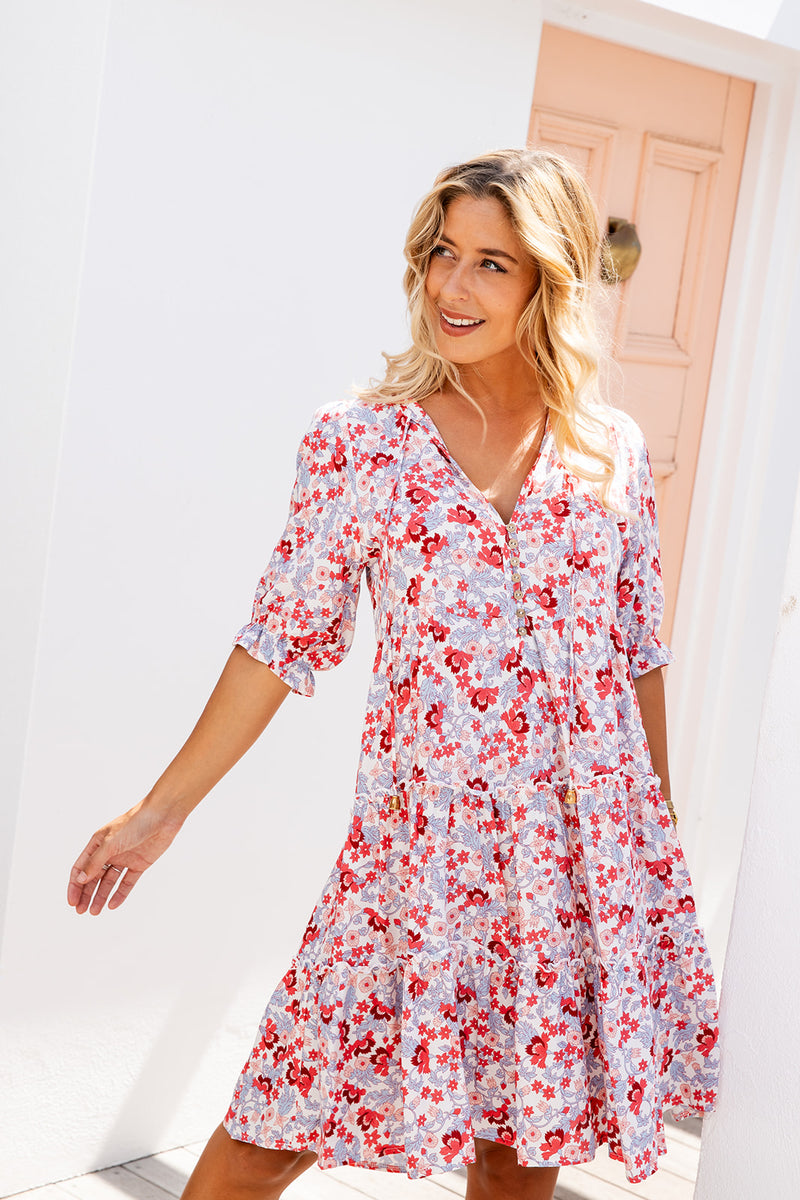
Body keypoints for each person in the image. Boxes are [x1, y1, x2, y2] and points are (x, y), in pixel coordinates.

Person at [68, 148, 719, 1200]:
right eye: (441, 254)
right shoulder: (362, 445)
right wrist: (160, 811)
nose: (453, 286)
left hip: (576, 858)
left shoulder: (611, 449)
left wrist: (654, 841)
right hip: (417, 863)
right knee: (266, 1135)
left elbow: (635, 654)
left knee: (518, 1157)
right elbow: (278, 642)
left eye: (491, 264)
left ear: (548, 282)